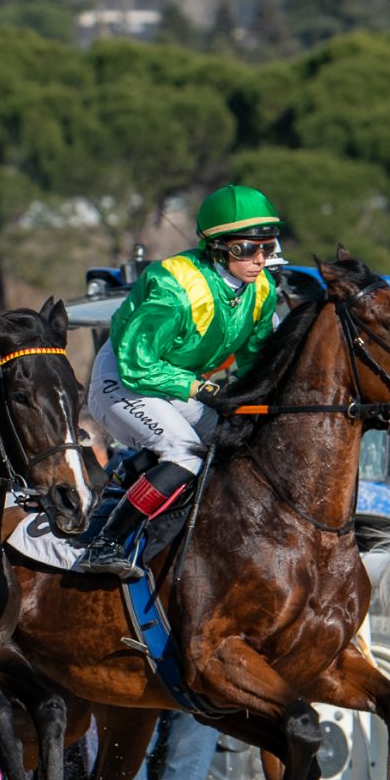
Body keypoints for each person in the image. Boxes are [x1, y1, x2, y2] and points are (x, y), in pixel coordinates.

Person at [75, 184, 284, 578]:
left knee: (231, 446)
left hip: (178, 382)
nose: (259, 260)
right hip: (123, 377)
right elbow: (138, 363)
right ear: (218, 247)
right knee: (184, 452)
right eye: (247, 250)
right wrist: (206, 390)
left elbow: (256, 361)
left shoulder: (263, 291)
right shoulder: (175, 285)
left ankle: (136, 483)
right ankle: (104, 543)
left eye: (268, 248)